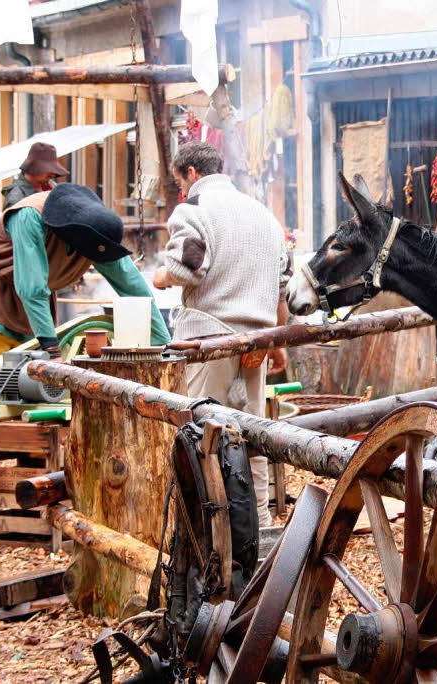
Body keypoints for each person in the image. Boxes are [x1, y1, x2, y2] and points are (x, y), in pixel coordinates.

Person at [153, 141, 289, 526]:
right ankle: (259, 524)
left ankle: (203, 530)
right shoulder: (263, 215)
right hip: (256, 342)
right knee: (254, 437)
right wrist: (278, 342)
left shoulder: (194, 209)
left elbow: (185, 268)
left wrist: (160, 277)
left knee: (202, 436)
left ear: (192, 173)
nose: (182, 191)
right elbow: (282, 284)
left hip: (209, 340)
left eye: (181, 182)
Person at [0, 183, 170, 407]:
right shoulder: (28, 217)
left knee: (32, 413)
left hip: (32, 324)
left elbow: (134, 288)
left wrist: (164, 348)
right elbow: (32, 288)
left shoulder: (96, 229)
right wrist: (52, 352)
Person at [1, 142, 68, 210]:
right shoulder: (16, 198)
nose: (53, 174)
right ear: (35, 168)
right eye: (49, 169)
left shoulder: (52, 187)